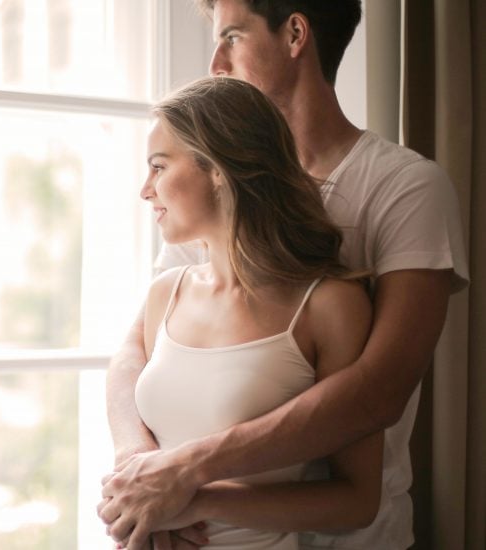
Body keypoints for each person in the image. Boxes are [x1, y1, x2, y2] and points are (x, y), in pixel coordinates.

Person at [98, 1, 469, 549]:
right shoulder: (207, 212)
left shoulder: (404, 188)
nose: (215, 62)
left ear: (296, 33)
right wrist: (142, 473)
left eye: (231, 37)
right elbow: (136, 354)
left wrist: (186, 477)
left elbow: (379, 391)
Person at [102, 75, 384, 550]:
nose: (145, 190)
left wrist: (196, 500)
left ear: (216, 169)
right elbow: (124, 373)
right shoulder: (165, 293)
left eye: (159, 167)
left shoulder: (328, 306)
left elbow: (357, 499)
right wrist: (136, 479)